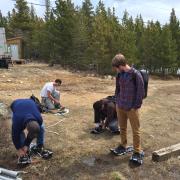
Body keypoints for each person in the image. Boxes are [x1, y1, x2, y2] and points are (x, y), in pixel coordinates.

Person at [111, 53, 145, 164]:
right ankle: (123, 145)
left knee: (136, 131)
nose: (116, 70)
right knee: (122, 128)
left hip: (132, 108)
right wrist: (117, 100)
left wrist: (135, 107)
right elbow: (117, 89)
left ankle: (137, 151)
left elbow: (141, 92)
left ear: (120, 65)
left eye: (116, 68)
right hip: (120, 106)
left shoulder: (135, 74)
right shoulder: (120, 75)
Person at [11, 99, 52, 165]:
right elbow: (14, 136)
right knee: (19, 132)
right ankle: (23, 152)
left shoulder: (39, 119)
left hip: (30, 103)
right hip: (16, 105)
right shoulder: (17, 121)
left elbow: (33, 133)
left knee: (41, 128)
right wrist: (19, 148)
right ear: (27, 128)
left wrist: (27, 144)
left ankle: (39, 146)